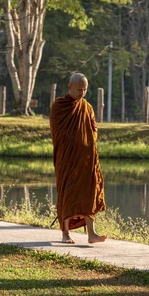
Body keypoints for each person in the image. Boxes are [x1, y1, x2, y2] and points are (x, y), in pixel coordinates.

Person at [50, 73, 106, 244]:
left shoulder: (87, 107)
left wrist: (88, 143)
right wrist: (75, 142)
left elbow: (93, 128)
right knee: (67, 193)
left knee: (89, 192)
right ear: (69, 87)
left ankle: (92, 233)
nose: (82, 93)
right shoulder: (59, 106)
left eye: (85, 90)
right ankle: (65, 233)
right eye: (79, 89)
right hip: (67, 158)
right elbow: (58, 132)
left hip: (86, 158)